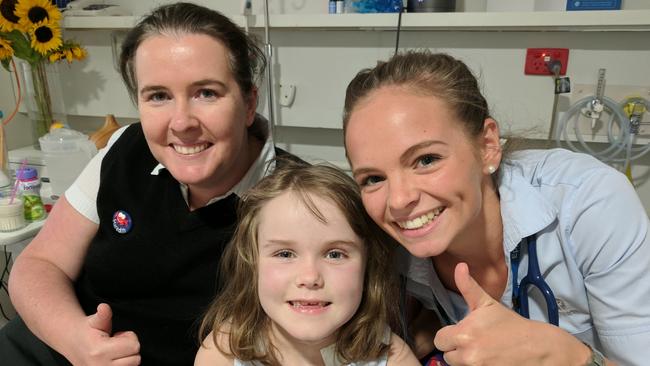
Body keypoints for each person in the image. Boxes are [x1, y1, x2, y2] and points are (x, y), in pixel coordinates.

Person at [0, 3, 300, 365]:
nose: (182, 122)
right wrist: (75, 339)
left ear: (249, 103)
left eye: (206, 92)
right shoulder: (126, 149)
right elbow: (41, 263)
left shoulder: (297, 197)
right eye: (158, 96)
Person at [342, 51, 650, 365]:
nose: (398, 200)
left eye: (426, 160)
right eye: (373, 178)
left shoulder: (589, 201)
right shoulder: (389, 246)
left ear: (488, 146)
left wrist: (567, 357)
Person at [194, 161, 420, 366]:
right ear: (252, 263)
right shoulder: (223, 353)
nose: (310, 277)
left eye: (335, 254)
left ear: (368, 265)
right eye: (284, 254)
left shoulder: (393, 358)